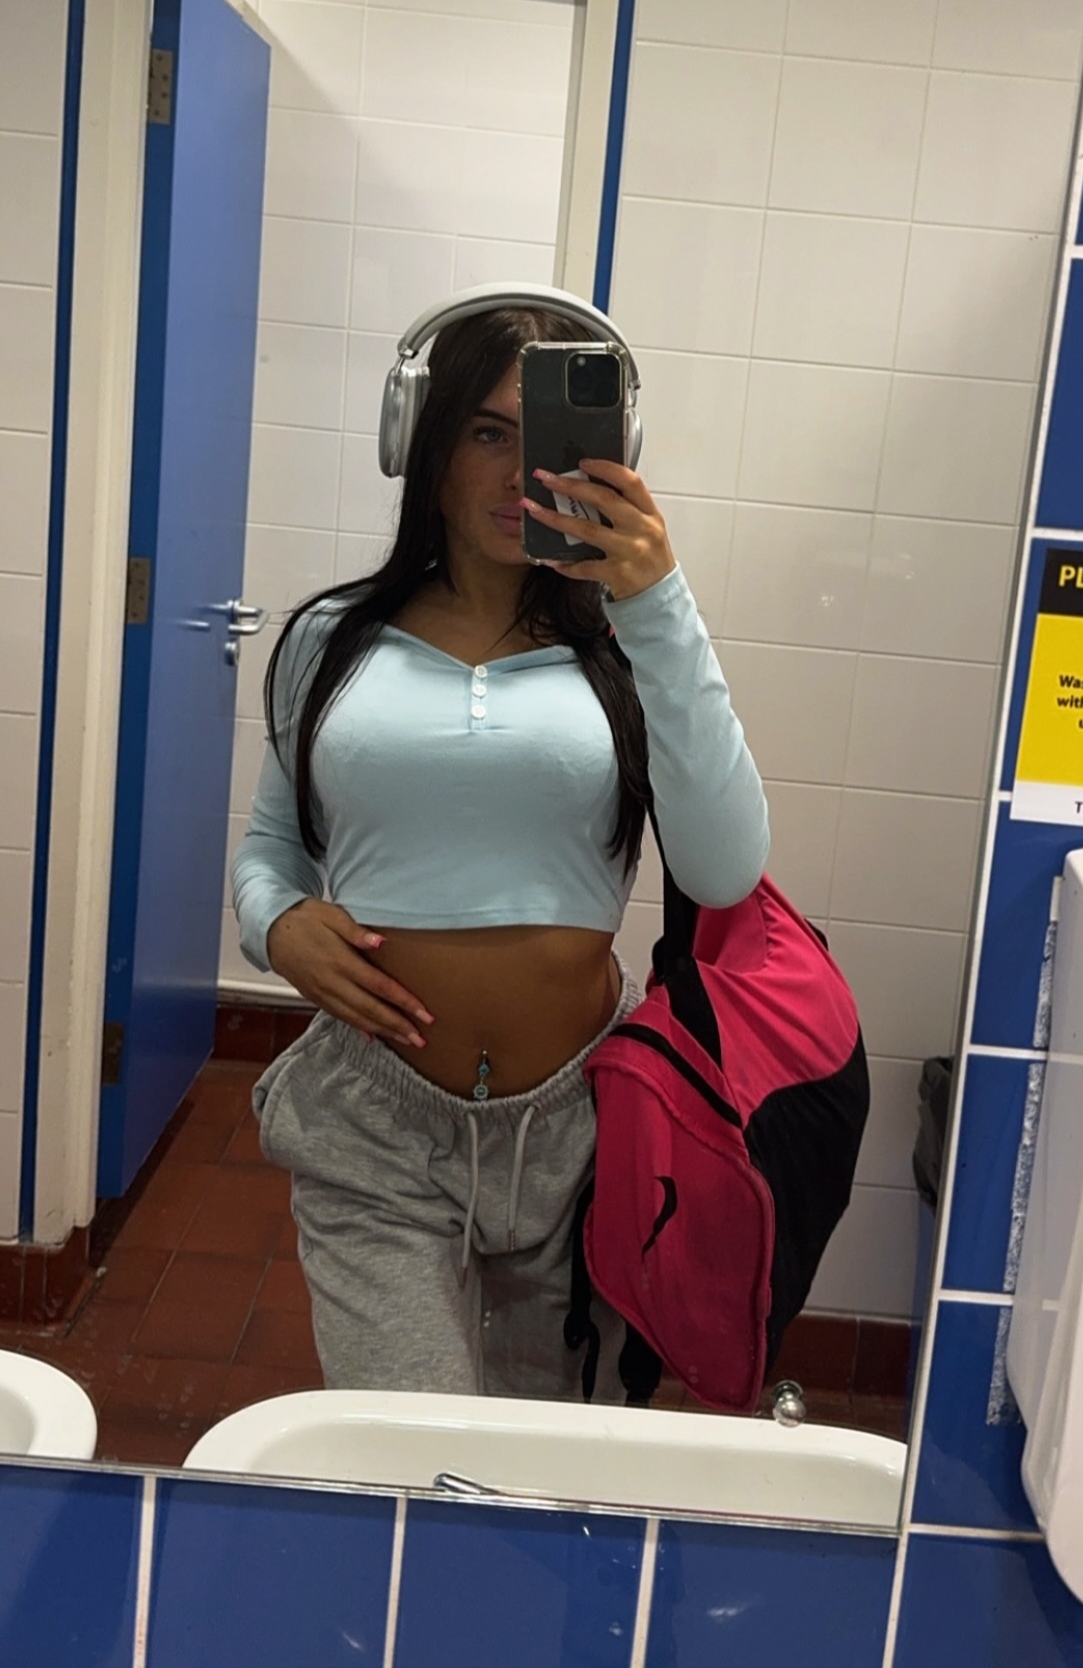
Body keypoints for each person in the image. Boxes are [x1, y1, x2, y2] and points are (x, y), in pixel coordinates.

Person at [232, 293, 769, 1400]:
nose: (522, 473)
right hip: (373, 1122)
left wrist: (657, 600)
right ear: (421, 444)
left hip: (586, 1128)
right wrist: (276, 924)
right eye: (487, 432)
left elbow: (724, 870)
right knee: (409, 1463)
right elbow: (271, 847)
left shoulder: (633, 647)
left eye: (551, 439)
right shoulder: (331, 641)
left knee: (546, 1465)